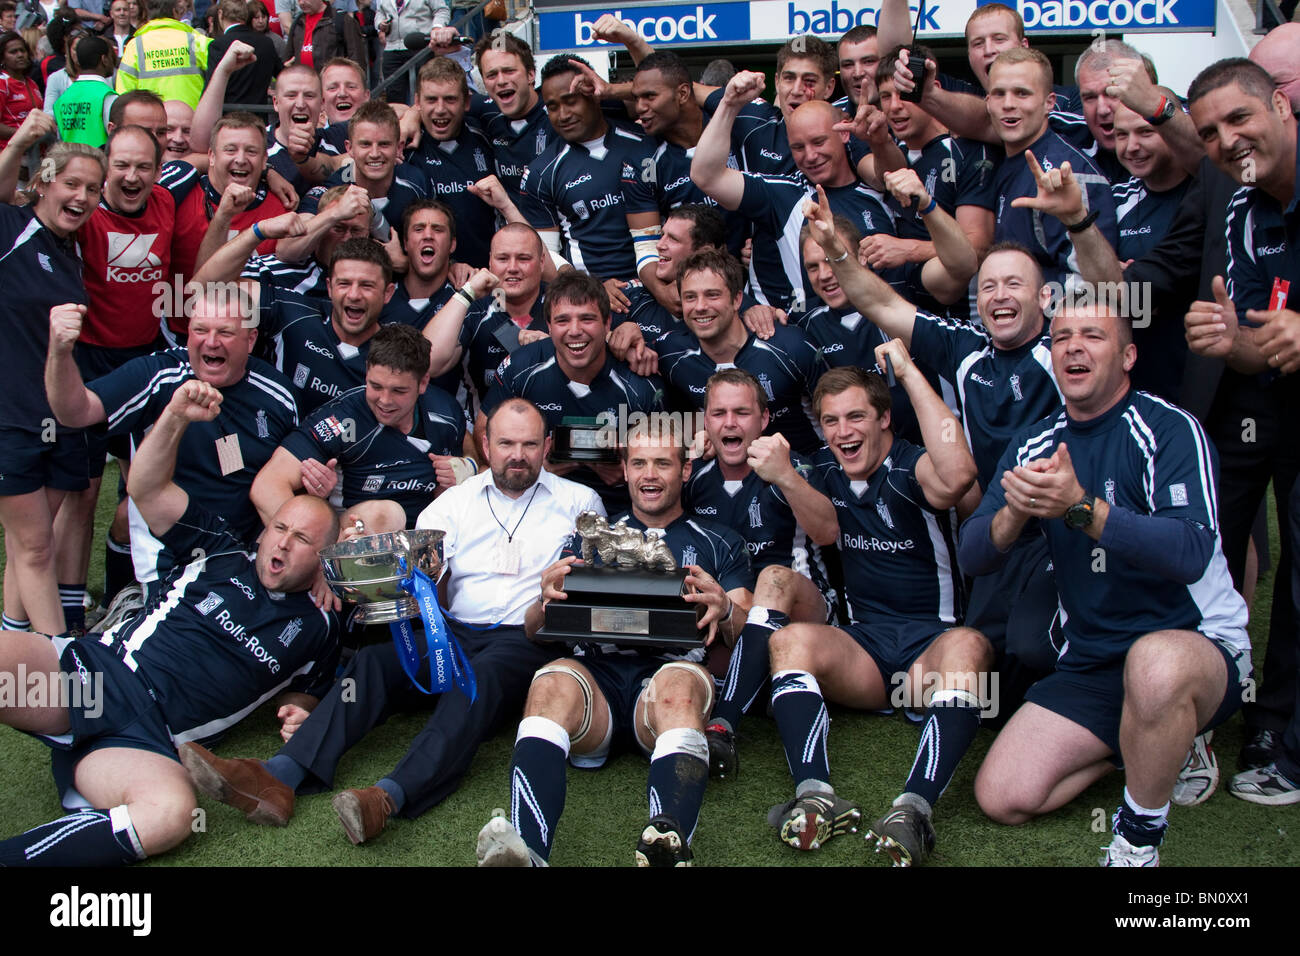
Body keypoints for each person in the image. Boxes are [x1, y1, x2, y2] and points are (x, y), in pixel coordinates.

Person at [182, 398, 605, 845]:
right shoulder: (454, 504)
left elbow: (579, 590)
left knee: (476, 677)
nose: (516, 455)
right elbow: (421, 585)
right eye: (505, 443)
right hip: (452, 631)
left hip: (525, 638)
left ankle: (388, 797)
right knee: (375, 662)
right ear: (485, 443)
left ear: (547, 445)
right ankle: (280, 775)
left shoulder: (580, 503)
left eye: (529, 444)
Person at [0, 377, 341, 866]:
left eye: (302, 539)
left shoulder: (321, 629)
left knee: (170, 815)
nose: (283, 543)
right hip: (94, 676)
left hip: (146, 740)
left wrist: (299, 711)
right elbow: (145, 487)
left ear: (324, 557)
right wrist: (176, 416)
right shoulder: (221, 551)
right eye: (279, 528)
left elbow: (306, 690)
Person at [960, 301, 1250, 867]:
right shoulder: (1035, 443)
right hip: (1094, 660)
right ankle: (1152, 743)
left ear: (1128, 355)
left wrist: (1082, 510)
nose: (1073, 346)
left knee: (1155, 663)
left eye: (1093, 335)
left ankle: (1136, 844)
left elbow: (1191, 551)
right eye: (1062, 336)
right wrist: (1011, 515)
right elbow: (975, 555)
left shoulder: (1169, 428)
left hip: (1193, 648)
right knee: (1003, 796)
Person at [476, 424, 753, 867]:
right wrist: (542, 599)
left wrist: (724, 607)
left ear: (685, 469)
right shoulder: (591, 538)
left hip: (666, 690)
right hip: (596, 687)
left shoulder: (719, 540)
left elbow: (748, 635)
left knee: (680, 683)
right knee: (548, 682)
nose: (650, 474)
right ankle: (527, 853)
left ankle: (667, 841)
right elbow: (533, 629)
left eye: (663, 463)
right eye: (639, 463)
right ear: (623, 470)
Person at [764, 349, 985, 868]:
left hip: (932, 648)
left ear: (885, 417)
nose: (843, 431)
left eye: (857, 416)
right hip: (864, 649)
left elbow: (959, 475)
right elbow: (824, 529)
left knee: (971, 645)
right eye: (831, 421)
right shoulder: (824, 469)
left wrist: (907, 372)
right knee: (786, 640)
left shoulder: (913, 464)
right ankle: (815, 795)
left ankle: (914, 810)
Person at [1183, 57, 1300, 792]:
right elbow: (1261, 340)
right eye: (1210, 133)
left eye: (1239, 118)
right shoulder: (1241, 209)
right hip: (1269, 403)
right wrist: (1238, 343)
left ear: (1283, 106)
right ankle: (1219, 720)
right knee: (1212, 548)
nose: (1227, 140)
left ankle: (1284, 740)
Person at [44, 285, 299, 595]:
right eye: (200, 329)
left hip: (250, 554)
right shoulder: (160, 375)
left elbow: (295, 469)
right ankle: (124, 603)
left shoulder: (278, 395)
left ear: (251, 339)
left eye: (226, 332)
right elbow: (75, 411)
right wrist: (59, 352)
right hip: (170, 557)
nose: (211, 342)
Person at [691, 368, 839, 778]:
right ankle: (760, 690)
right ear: (705, 422)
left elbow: (828, 532)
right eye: (718, 413)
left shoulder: (794, 469)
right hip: (737, 613)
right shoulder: (696, 478)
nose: (730, 423)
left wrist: (786, 476)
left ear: (764, 420)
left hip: (804, 610)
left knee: (773, 575)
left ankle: (724, 723)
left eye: (742, 412)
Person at [0, 129, 104, 637]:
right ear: (44, 183)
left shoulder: (72, 251)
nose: (81, 197)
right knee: (35, 544)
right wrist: (20, 140)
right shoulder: (9, 227)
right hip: (9, 417)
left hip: (57, 418)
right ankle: (60, 655)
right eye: (71, 184)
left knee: (29, 547)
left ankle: (14, 644)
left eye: (92, 189)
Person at [251, 321, 467, 532]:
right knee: (386, 516)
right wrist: (315, 549)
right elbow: (267, 486)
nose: (384, 400)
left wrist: (468, 468)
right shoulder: (345, 420)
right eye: (375, 386)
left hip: (427, 539)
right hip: (352, 536)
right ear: (366, 371)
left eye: (398, 391)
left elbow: (479, 461)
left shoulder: (446, 412)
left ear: (423, 383)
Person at [485, 269, 666, 514]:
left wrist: (631, 470)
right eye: (562, 320)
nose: (574, 330)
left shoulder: (641, 381)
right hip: (533, 506)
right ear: (548, 325)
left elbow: (668, 462)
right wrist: (536, 467)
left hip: (620, 512)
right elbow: (484, 432)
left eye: (587, 319)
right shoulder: (520, 368)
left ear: (607, 323)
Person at [648, 249, 828, 456]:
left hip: (803, 472)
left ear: (736, 300)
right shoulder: (670, 353)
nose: (700, 307)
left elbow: (835, 418)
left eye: (712, 295)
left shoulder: (790, 347)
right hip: (731, 481)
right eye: (690, 297)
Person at [404, 56, 495, 268]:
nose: (440, 109)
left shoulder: (486, 135)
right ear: (417, 102)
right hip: (435, 276)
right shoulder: (404, 147)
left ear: (467, 102)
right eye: (431, 100)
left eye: (450, 99)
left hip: (489, 274)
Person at [116, 0, 211, 110]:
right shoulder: (196, 40)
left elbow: (124, 93)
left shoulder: (135, 45)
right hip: (191, 119)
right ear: (175, 11)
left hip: (151, 120)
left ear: (147, 13)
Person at [206, 0, 282, 106]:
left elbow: (211, 87)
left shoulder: (218, 45)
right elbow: (282, 74)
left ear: (220, 14)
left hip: (229, 117)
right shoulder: (266, 43)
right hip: (259, 117)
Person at [373, 0, 449, 106]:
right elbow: (379, 12)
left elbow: (441, 10)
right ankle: (399, 122)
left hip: (420, 46)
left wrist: (437, 28)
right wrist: (380, 25)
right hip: (392, 47)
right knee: (394, 95)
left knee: (425, 90)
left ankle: (423, 120)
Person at [51, 34, 116, 147]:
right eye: (110, 57)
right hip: (98, 161)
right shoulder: (107, 96)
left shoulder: (63, 99)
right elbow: (115, 138)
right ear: (104, 59)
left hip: (70, 160)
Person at [287, 0, 366, 73]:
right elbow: (288, 58)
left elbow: (357, 60)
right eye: (299, 0)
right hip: (303, 83)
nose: (301, 3)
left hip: (332, 84)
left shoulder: (342, 20)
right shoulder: (297, 23)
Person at [0, 30, 40, 152]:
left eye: (22, 50)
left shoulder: (32, 83)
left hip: (36, 153)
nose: (20, 55)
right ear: (2, 58)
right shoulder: (2, 84)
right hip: (11, 154)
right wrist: (25, 135)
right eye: (13, 52)